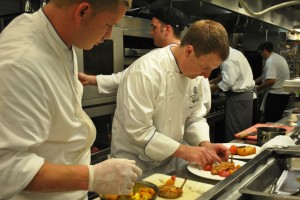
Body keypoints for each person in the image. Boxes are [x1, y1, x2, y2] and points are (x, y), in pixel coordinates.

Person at [0, 1, 142, 200]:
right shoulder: (20, 63)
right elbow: (5, 169)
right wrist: (91, 177)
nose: (109, 35)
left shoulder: (61, 39)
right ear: (82, 11)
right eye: (108, 25)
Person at [111, 19, 231, 177]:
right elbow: (139, 132)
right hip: (134, 165)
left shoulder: (198, 76)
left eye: (212, 70)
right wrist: (185, 151)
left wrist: (205, 144)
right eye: (205, 67)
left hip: (172, 162)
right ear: (189, 51)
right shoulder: (145, 71)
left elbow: (193, 117)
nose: (206, 76)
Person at [78, 7, 212, 115]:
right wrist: (90, 79)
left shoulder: (194, 62)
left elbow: (202, 104)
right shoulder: (152, 60)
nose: (151, 32)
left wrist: (188, 124)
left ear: (167, 29)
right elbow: (124, 78)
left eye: (154, 27)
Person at [210, 47, 255, 142]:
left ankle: (234, 155)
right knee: (243, 131)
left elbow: (228, 82)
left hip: (238, 98)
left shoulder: (227, 59)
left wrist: (211, 88)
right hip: (245, 97)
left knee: (236, 133)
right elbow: (227, 75)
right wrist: (212, 81)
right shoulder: (235, 53)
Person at [255, 42, 290, 122]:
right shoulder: (278, 57)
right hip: (283, 95)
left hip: (276, 96)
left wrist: (258, 88)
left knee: (271, 121)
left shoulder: (270, 61)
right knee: (277, 120)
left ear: (264, 50)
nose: (261, 55)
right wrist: (253, 82)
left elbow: (271, 80)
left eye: (260, 53)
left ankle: (272, 134)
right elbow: (265, 75)